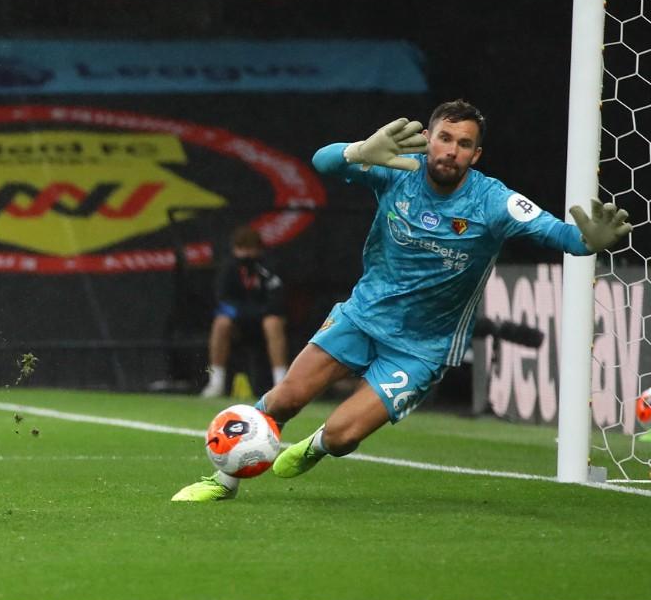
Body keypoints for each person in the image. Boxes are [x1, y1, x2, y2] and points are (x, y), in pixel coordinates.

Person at [172, 100, 632, 501]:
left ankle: (314, 447)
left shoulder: (492, 201)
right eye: (445, 138)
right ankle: (223, 482)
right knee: (284, 399)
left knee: (341, 434)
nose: (451, 150)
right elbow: (321, 160)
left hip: (421, 346)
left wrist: (586, 240)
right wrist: (355, 153)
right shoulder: (397, 170)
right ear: (428, 138)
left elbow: (558, 233)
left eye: (464, 144)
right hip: (361, 317)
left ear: (476, 155)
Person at [199, 225, 288, 398]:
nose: (247, 254)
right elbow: (222, 299)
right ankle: (216, 382)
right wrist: (244, 313)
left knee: (273, 323)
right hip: (238, 321)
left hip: (265, 317)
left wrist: (261, 312)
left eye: (251, 249)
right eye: (242, 249)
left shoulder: (268, 266)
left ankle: (281, 382)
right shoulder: (229, 267)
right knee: (221, 323)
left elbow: (277, 299)